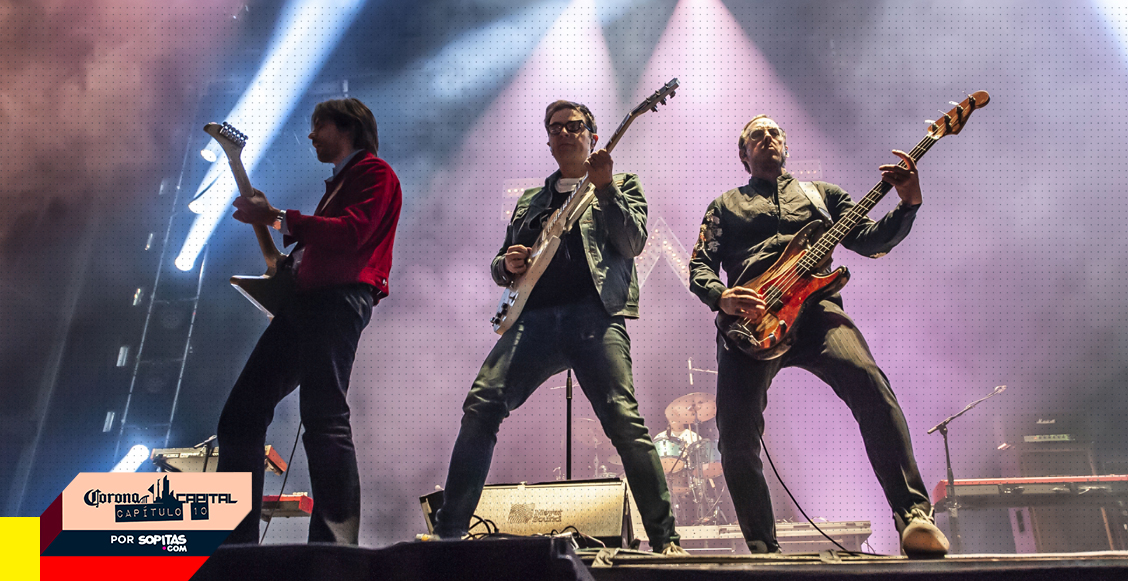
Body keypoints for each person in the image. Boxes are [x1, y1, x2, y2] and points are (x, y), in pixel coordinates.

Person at [688, 115, 949, 557]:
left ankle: (913, 516)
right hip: (751, 321)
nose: (767, 138)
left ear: (786, 147)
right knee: (735, 432)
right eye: (757, 135)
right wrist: (722, 297)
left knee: (870, 383)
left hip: (817, 311)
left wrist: (908, 203)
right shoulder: (724, 206)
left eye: (774, 133)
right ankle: (762, 546)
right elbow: (700, 264)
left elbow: (869, 241)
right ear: (743, 154)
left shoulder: (822, 196)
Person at [432, 100, 683, 555]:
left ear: (593, 135)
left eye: (574, 125)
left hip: (595, 317)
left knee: (624, 421)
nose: (564, 133)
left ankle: (666, 541)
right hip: (534, 321)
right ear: (548, 141)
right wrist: (506, 264)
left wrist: (606, 188)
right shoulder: (532, 200)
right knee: (481, 406)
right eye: (555, 128)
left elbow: (632, 242)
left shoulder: (623, 184)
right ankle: (446, 537)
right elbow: (501, 264)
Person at [216, 98, 402, 545]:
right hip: (308, 303)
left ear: (348, 127)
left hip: (337, 301)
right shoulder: (341, 183)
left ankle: (335, 545)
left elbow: (352, 232)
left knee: (324, 416)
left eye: (319, 125)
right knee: (241, 416)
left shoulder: (375, 173)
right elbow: (326, 241)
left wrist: (276, 217)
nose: (311, 135)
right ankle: (235, 545)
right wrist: (287, 254)